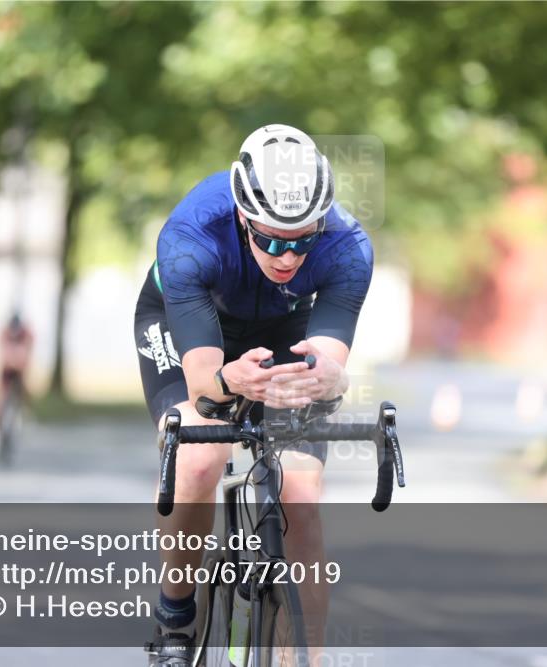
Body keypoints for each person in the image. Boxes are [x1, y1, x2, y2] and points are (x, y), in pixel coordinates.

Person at [135, 124, 374, 665]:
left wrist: (332, 379)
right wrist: (227, 383)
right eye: (270, 239)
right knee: (199, 456)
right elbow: (204, 386)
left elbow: (327, 364)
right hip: (192, 325)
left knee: (300, 494)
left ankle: (302, 659)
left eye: (301, 241)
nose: (286, 257)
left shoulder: (348, 246)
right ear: (244, 218)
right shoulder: (191, 235)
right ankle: (176, 618)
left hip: (284, 325)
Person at [0, 312, 34, 430]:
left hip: (19, 368)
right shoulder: (5, 333)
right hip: (7, 368)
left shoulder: (25, 333)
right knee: (2, 395)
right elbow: (1, 347)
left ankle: (24, 412)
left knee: (22, 390)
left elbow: (29, 346)